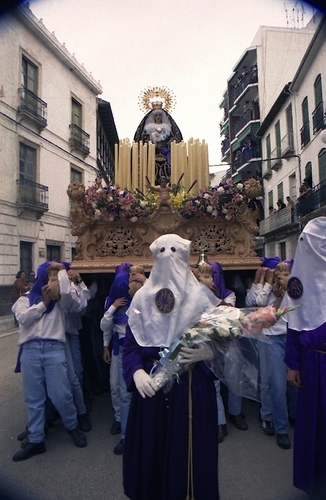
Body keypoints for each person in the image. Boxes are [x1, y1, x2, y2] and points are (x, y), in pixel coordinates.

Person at [122, 234, 221, 500]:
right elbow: (130, 346)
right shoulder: (142, 298)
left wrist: (206, 353)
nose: (168, 257)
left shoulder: (201, 298)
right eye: (161, 251)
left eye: (174, 252)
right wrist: (136, 371)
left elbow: (221, 344)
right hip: (152, 390)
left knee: (188, 455)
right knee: (152, 452)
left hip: (191, 389)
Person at [11, 261, 87, 461]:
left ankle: (72, 426)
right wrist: (43, 304)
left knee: (61, 394)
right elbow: (23, 319)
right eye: (48, 276)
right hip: (31, 350)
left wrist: (63, 273)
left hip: (54, 349)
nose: (49, 282)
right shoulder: (25, 300)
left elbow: (76, 303)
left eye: (53, 277)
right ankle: (36, 439)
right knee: (34, 398)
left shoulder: (61, 303)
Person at [284, 217, 326, 498]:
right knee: (315, 424)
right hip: (314, 364)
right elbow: (293, 324)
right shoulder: (298, 284)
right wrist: (293, 364)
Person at [100, 265, 146, 455]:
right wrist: (112, 307)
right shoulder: (114, 304)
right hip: (119, 349)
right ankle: (123, 427)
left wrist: (144, 282)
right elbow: (105, 326)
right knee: (118, 389)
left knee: (136, 392)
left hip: (137, 350)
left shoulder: (141, 301)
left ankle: (136, 434)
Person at [249, 262, 292, 450]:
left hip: (291, 336)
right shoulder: (269, 291)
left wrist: (288, 289)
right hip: (272, 338)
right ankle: (279, 427)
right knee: (275, 383)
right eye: (279, 273)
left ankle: (280, 415)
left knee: (289, 382)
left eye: (286, 273)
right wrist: (275, 291)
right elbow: (259, 305)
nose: (282, 276)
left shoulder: (294, 288)